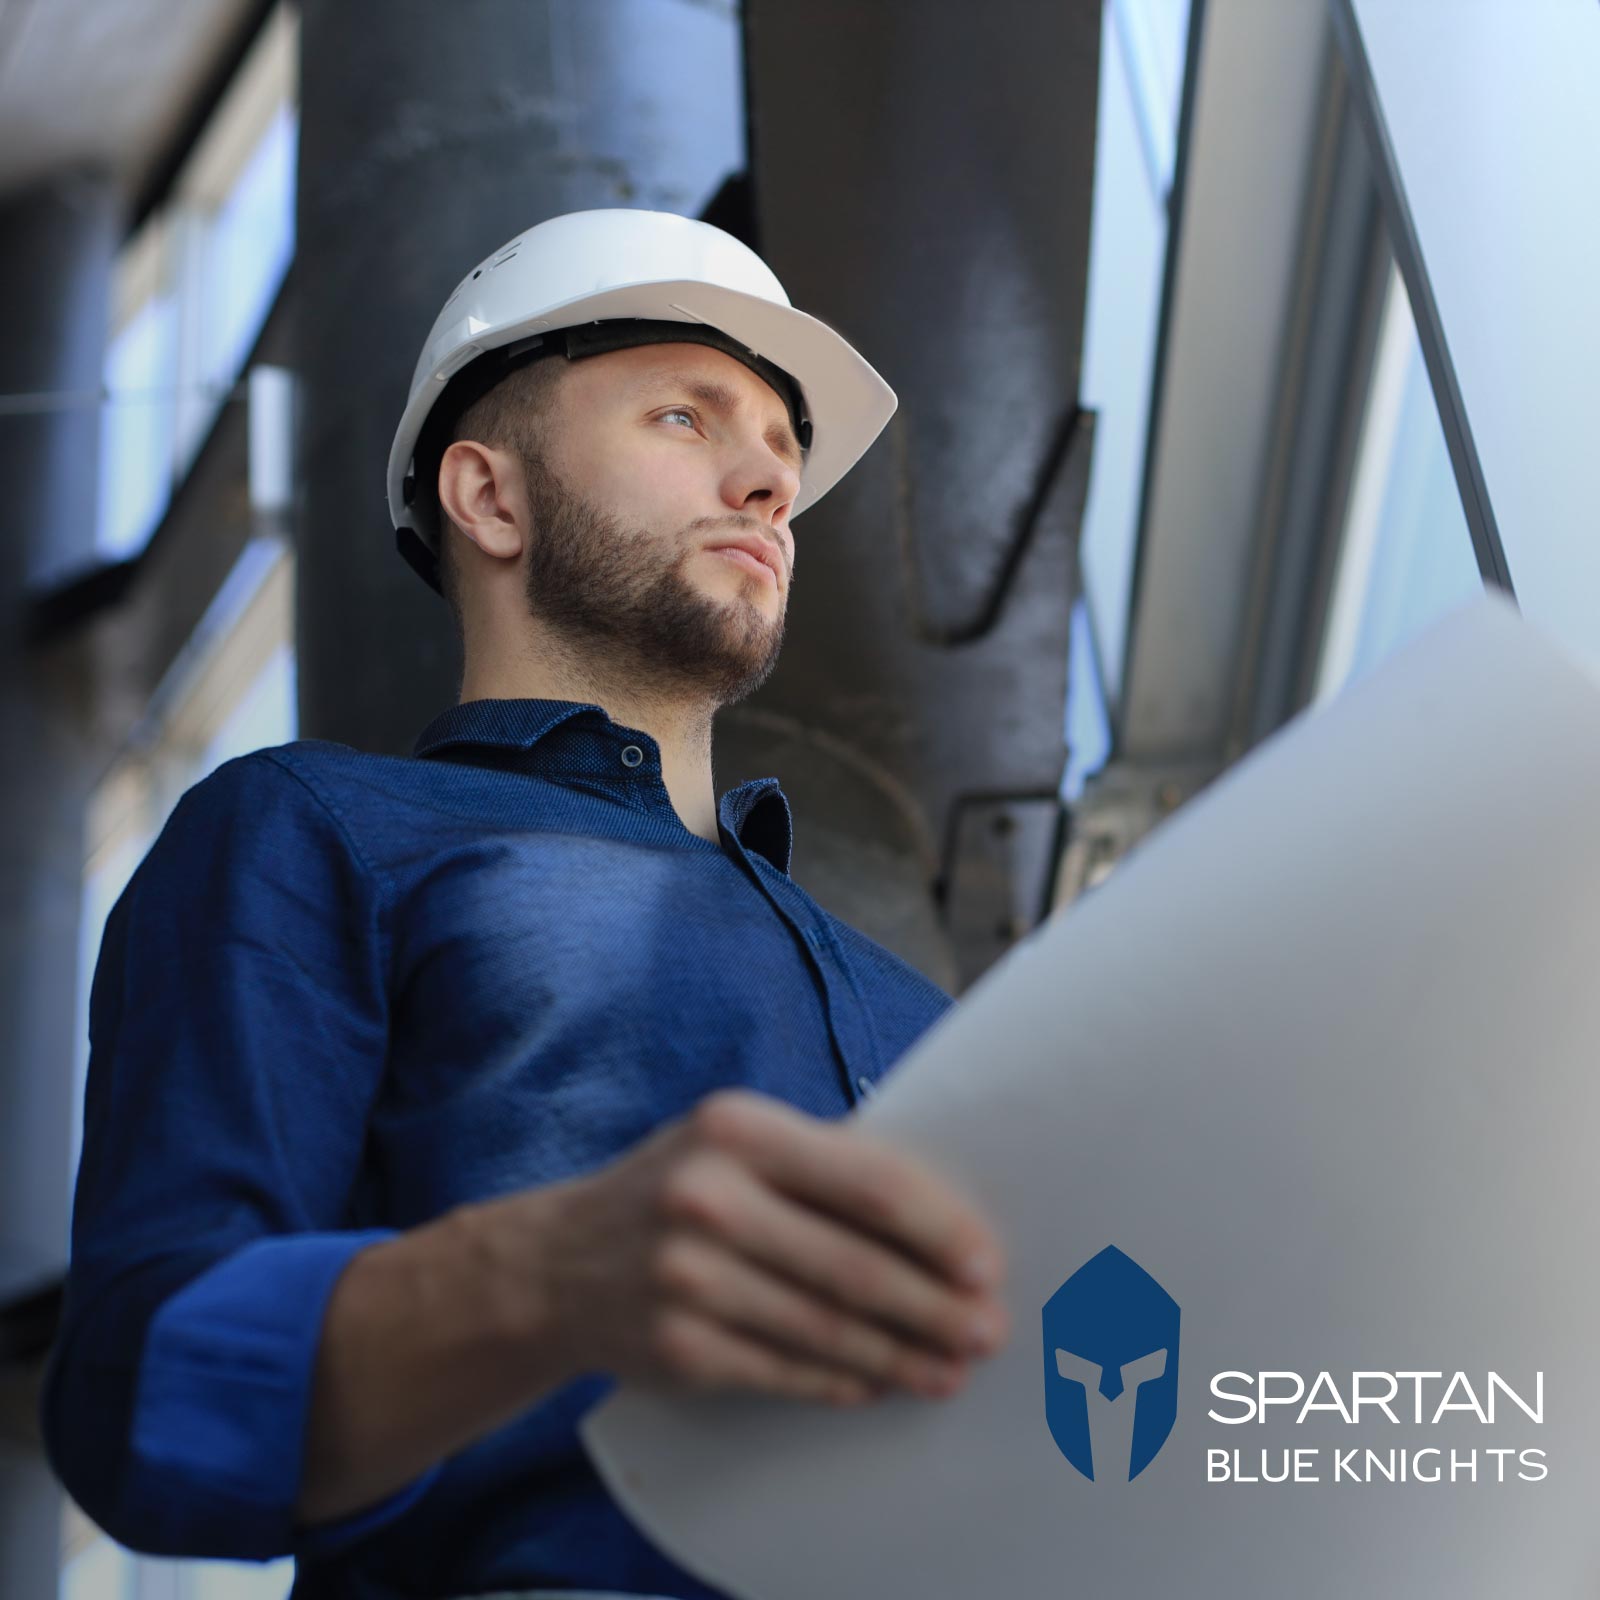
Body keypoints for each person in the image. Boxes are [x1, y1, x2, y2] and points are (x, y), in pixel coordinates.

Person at [41, 209, 1011, 1600]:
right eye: (688, 417)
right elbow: (149, 1395)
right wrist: (552, 1275)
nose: (763, 483)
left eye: (783, 457)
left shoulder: (925, 1009)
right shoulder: (317, 832)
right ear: (489, 496)